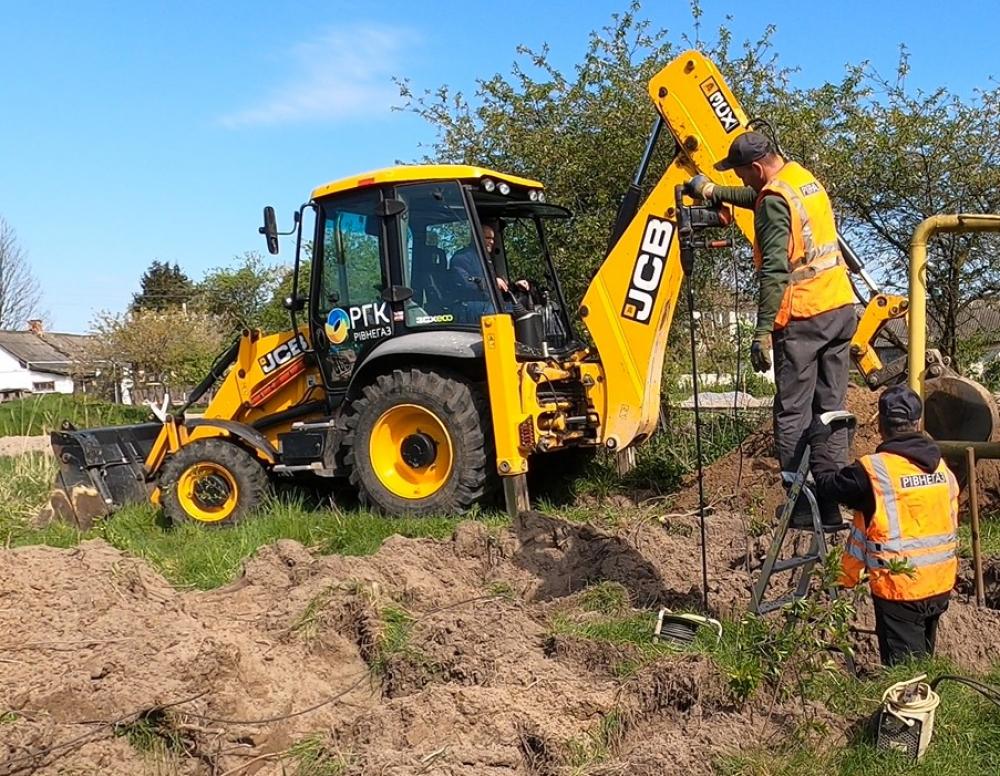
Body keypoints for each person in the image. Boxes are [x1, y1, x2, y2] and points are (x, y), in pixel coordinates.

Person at [685, 132, 857, 528]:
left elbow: (775, 270)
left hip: (804, 315)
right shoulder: (800, 179)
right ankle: (830, 504)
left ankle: (801, 506)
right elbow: (760, 198)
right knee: (830, 409)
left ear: (756, 167)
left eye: (741, 173)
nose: (741, 180)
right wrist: (713, 191)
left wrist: (762, 331)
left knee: (793, 411)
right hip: (839, 306)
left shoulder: (774, 199)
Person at [812, 385, 959, 666]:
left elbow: (829, 485)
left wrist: (818, 443)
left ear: (880, 424)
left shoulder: (874, 473)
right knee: (922, 664)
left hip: (900, 590)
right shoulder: (942, 468)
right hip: (939, 584)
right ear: (918, 423)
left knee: (905, 677)